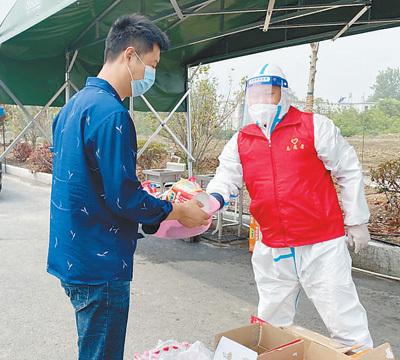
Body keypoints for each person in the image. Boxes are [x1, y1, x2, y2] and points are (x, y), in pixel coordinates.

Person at [47, 14, 209, 360]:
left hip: (72, 256)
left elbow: (93, 181)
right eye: (151, 64)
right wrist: (177, 210)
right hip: (100, 262)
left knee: (91, 346)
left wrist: (153, 203)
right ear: (130, 55)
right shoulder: (112, 114)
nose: (150, 74)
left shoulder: (71, 107)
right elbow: (124, 198)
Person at [207, 63, 373, 349]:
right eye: (254, 95)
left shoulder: (313, 126)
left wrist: (357, 220)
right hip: (273, 244)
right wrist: (210, 202)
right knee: (271, 322)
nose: (260, 102)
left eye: (268, 94)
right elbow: (225, 178)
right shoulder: (242, 140)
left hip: (321, 244)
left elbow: (348, 168)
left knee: (344, 318)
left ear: (283, 95)